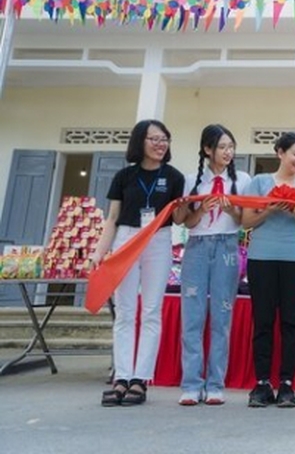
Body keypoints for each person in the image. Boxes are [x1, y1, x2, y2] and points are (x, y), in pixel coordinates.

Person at [89, 119, 187, 407]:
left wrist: (187, 208)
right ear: (139, 142)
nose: (160, 144)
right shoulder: (124, 176)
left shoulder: (175, 176)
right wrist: (98, 253)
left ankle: (140, 379)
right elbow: (112, 219)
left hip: (158, 239)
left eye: (164, 139)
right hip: (126, 239)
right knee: (125, 311)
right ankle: (121, 376)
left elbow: (179, 219)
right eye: (154, 139)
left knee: (152, 310)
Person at [241, 132, 295, 408]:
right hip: (261, 257)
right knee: (262, 322)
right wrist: (270, 208)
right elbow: (245, 222)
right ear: (280, 153)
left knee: (291, 323)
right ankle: (262, 383)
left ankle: (287, 383)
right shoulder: (259, 182)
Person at [178, 124, 252, 406]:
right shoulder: (192, 180)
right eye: (222, 147)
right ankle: (191, 385)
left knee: (222, 318)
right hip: (197, 245)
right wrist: (201, 209)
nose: (228, 152)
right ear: (208, 149)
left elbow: (242, 220)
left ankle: (216, 384)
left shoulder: (242, 180)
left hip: (227, 246)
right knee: (192, 318)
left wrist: (230, 207)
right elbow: (186, 222)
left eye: (231, 147)